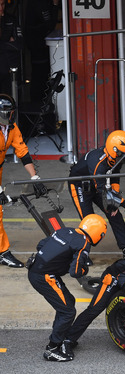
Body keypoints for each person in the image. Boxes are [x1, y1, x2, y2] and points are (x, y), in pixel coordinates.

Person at [27, 214, 107, 362]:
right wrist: (85, 270)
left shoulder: (64, 231)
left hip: (36, 269)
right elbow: (75, 272)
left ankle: (59, 336)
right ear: (98, 234)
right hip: (44, 277)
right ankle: (52, 348)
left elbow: (41, 244)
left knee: (68, 302)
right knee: (68, 311)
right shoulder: (83, 243)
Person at [68, 130, 125, 251]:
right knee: (89, 220)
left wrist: (115, 201)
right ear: (114, 150)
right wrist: (124, 204)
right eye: (123, 154)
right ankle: (82, 252)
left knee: (115, 215)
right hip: (80, 187)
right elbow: (102, 190)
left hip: (99, 187)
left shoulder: (115, 159)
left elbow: (115, 177)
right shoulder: (97, 163)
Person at [0, 94, 45, 267]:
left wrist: (35, 178)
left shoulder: (11, 128)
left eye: (12, 113)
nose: (11, 116)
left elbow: (23, 152)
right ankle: (3, 252)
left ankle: (1, 251)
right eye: (7, 113)